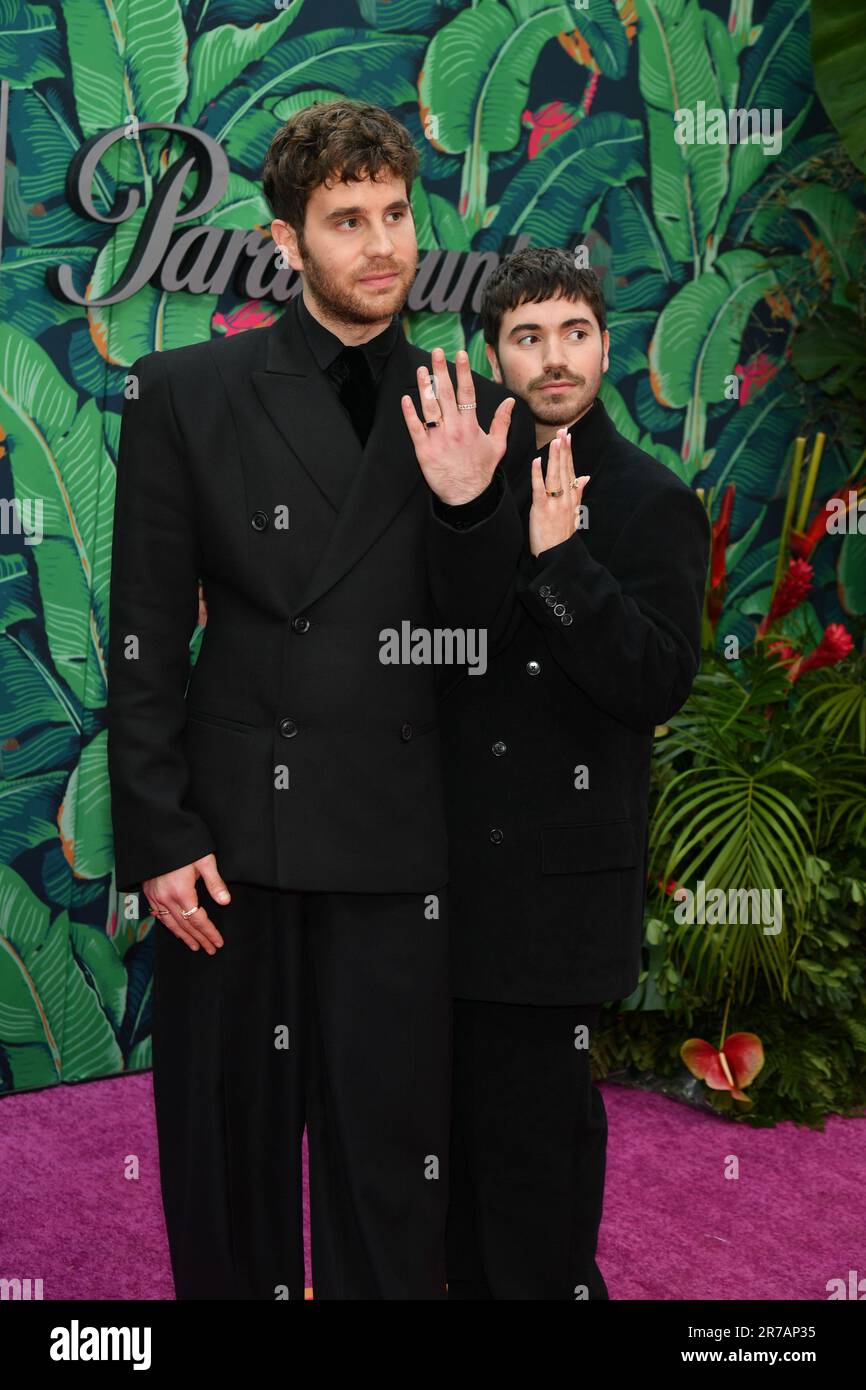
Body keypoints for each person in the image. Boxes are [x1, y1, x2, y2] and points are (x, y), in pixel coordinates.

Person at [106, 100, 535, 1301]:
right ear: (284, 240)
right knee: (229, 1155)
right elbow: (141, 634)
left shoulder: (463, 404)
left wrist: (463, 510)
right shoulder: (185, 392)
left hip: (396, 840)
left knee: (391, 1163)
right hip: (234, 841)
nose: (382, 244)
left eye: (395, 213)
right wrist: (158, 834)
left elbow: (476, 655)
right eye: (346, 220)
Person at [440, 247, 711, 1299]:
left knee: (536, 1147)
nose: (552, 359)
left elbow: (650, 681)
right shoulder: (459, 475)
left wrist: (561, 564)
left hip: (555, 896)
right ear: (493, 353)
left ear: (604, 344)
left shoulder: (649, 501)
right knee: (447, 1139)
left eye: (573, 333)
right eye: (525, 336)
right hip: (445, 870)